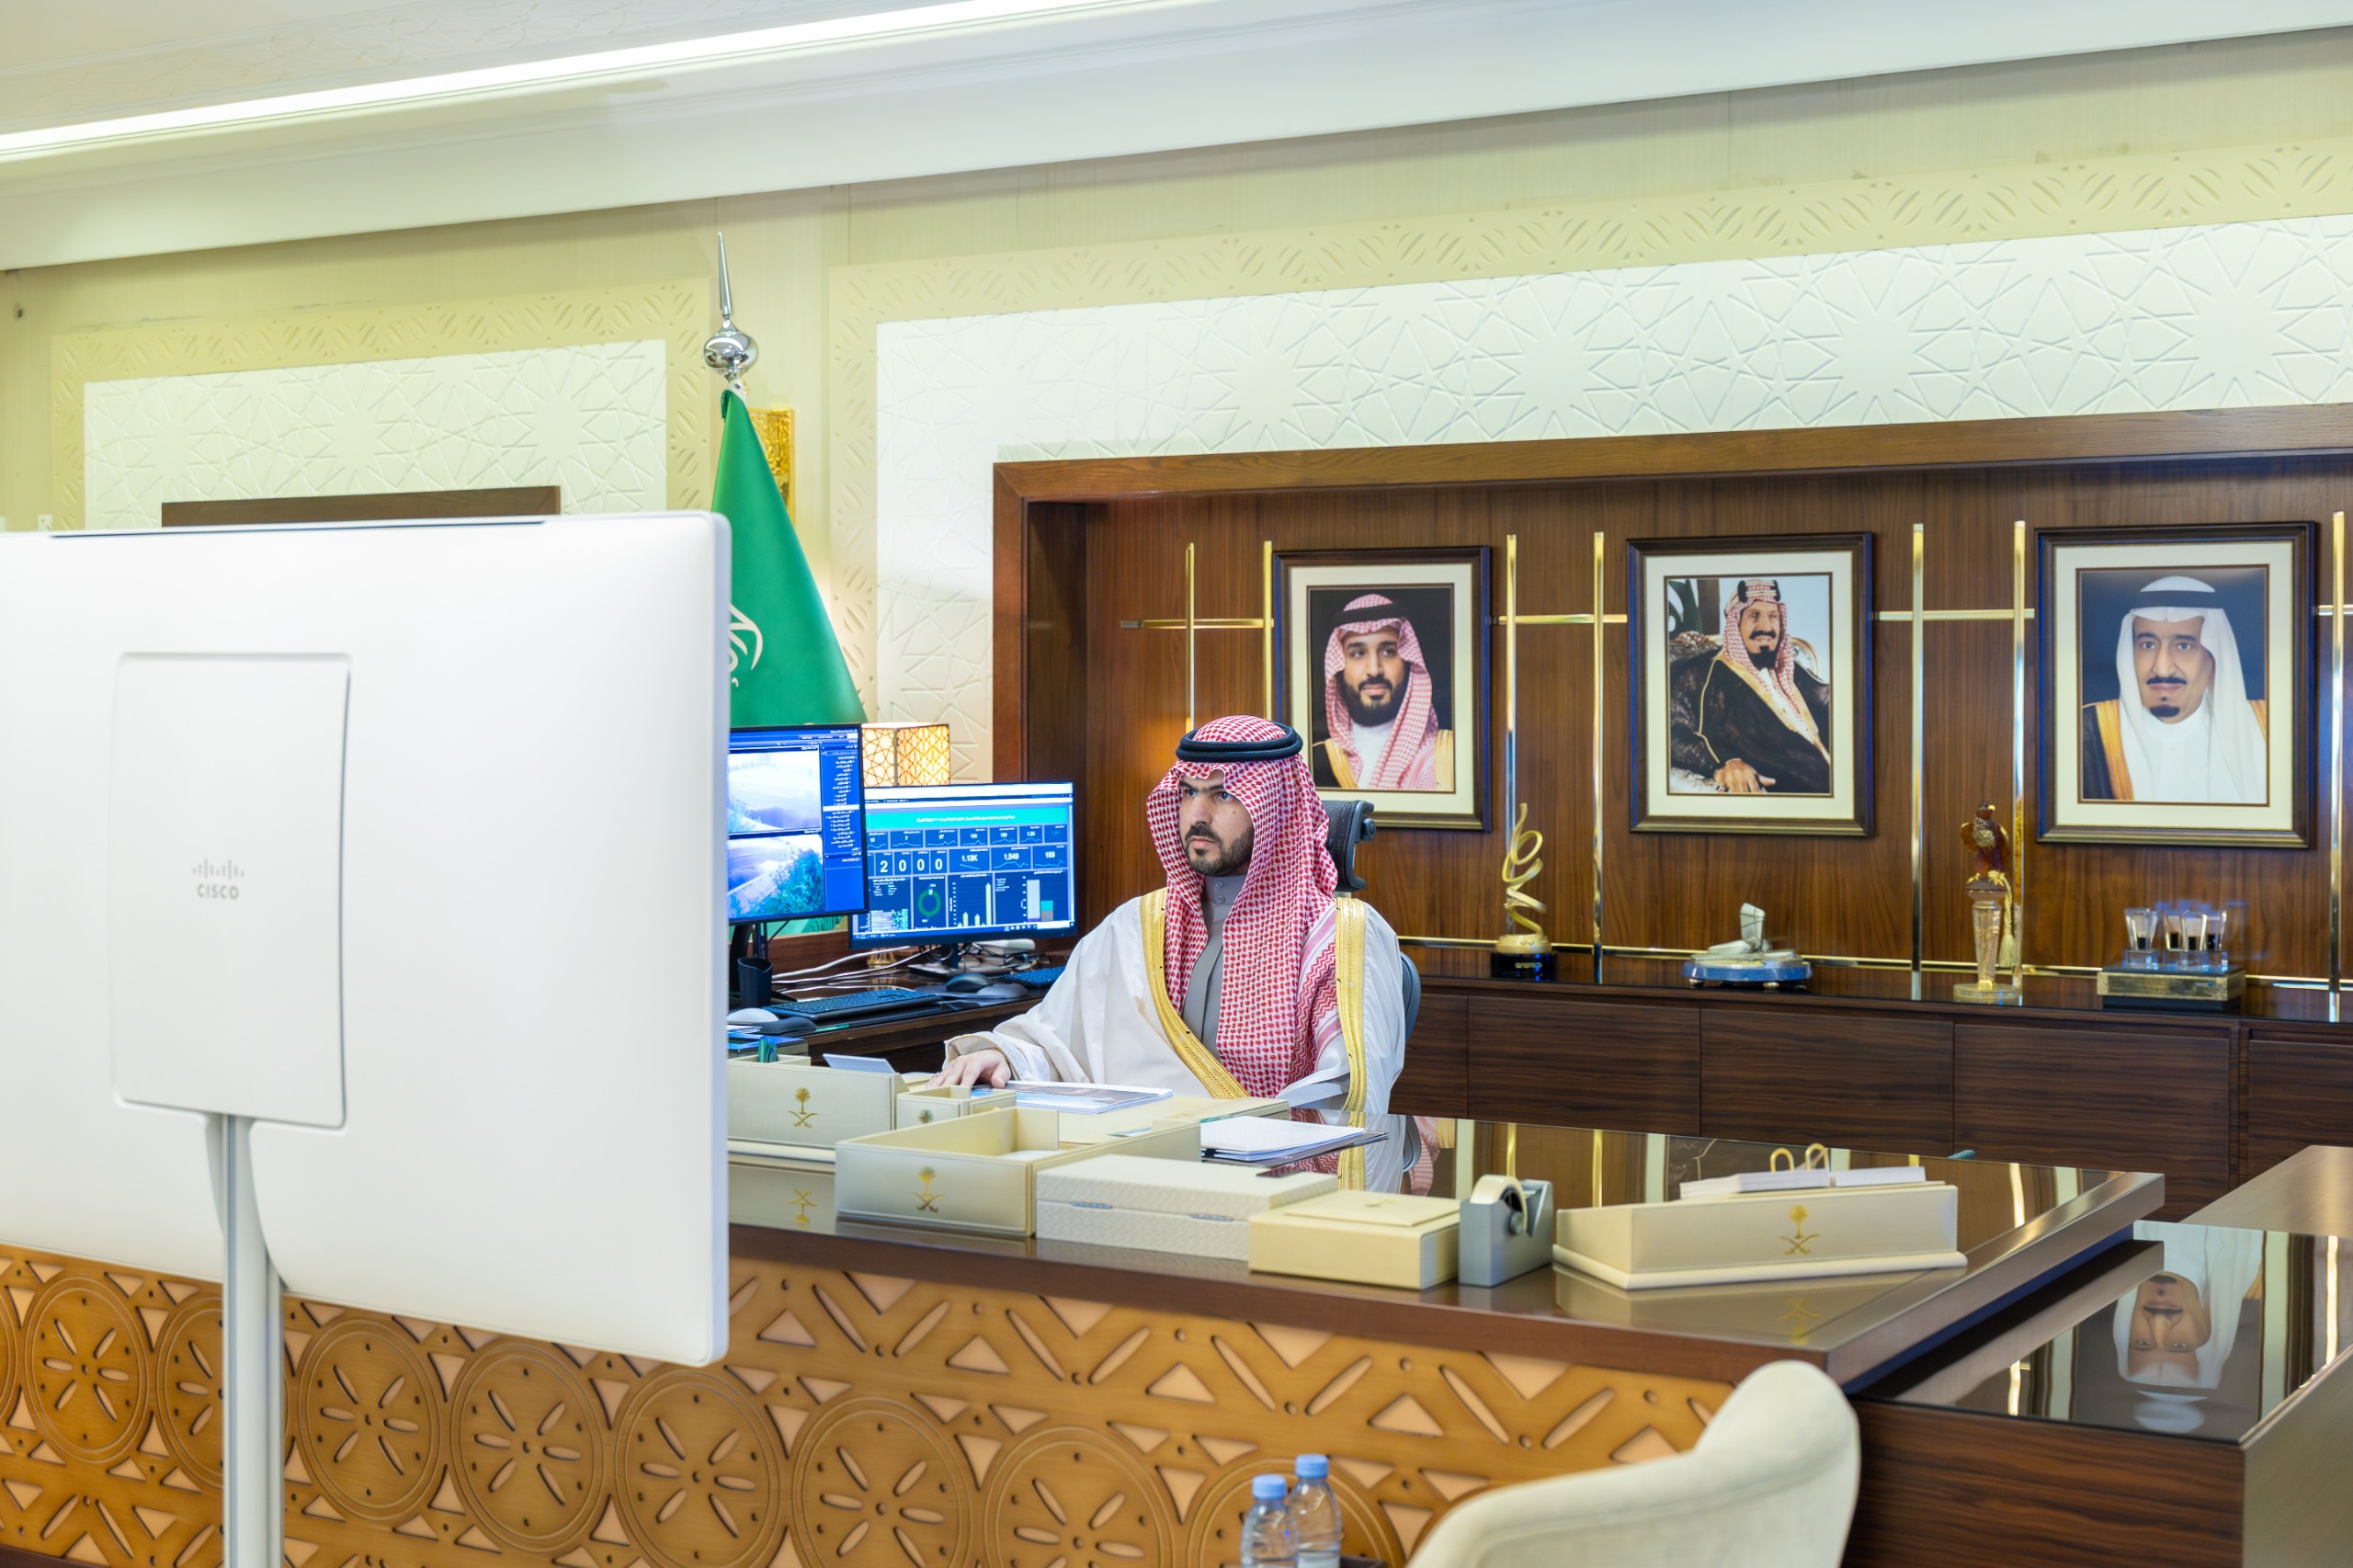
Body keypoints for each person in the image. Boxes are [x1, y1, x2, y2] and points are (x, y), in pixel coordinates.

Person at [930, 715, 1426, 1192]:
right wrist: (1003, 1055)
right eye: (1189, 792)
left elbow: (1348, 1100)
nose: (1197, 815)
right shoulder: (1136, 926)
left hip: (1280, 1190)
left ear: (1274, 807)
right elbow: (1058, 1040)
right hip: (1137, 1176)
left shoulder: (1341, 938)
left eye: (1223, 794)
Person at [2080, 576, 2269, 803]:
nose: (2162, 668)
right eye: (2148, 645)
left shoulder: (2266, 729)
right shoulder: (2086, 731)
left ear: (2213, 657)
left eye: (2184, 646)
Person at [1666, 579, 1832, 794]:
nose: (1766, 627)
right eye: (1754, 616)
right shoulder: (1703, 672)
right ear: (1735, 624)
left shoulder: (1790, 668)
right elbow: (1673, 735)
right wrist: (1725, 763)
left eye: (1773, 616)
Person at [1313, 594, 1452, 791]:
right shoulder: (1315, 760)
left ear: (1408, 662)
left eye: (1388, 652)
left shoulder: (1446, 759)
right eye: (1358, 653)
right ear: (1339, 667)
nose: (1374, 669)